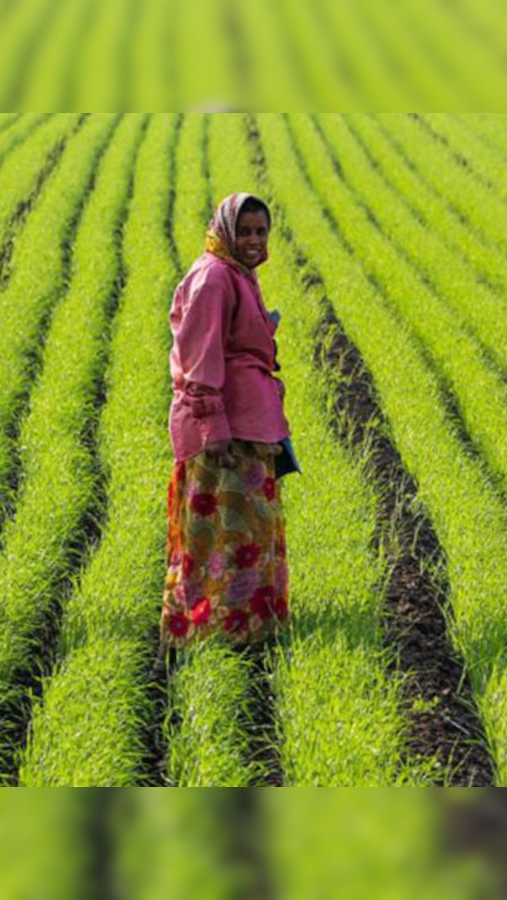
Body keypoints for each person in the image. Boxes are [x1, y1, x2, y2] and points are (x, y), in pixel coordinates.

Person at [160, 193, 296, 649]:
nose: (254, 241)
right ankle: (208, 629)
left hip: (250, 425)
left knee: (248, 534)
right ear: (224, 231)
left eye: (261, 232)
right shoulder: (215, 279)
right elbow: (198, 358)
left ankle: (245, 627)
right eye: (246, 231)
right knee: (216, 535)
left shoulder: (238, 274)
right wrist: (212, 427)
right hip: (225, 433)